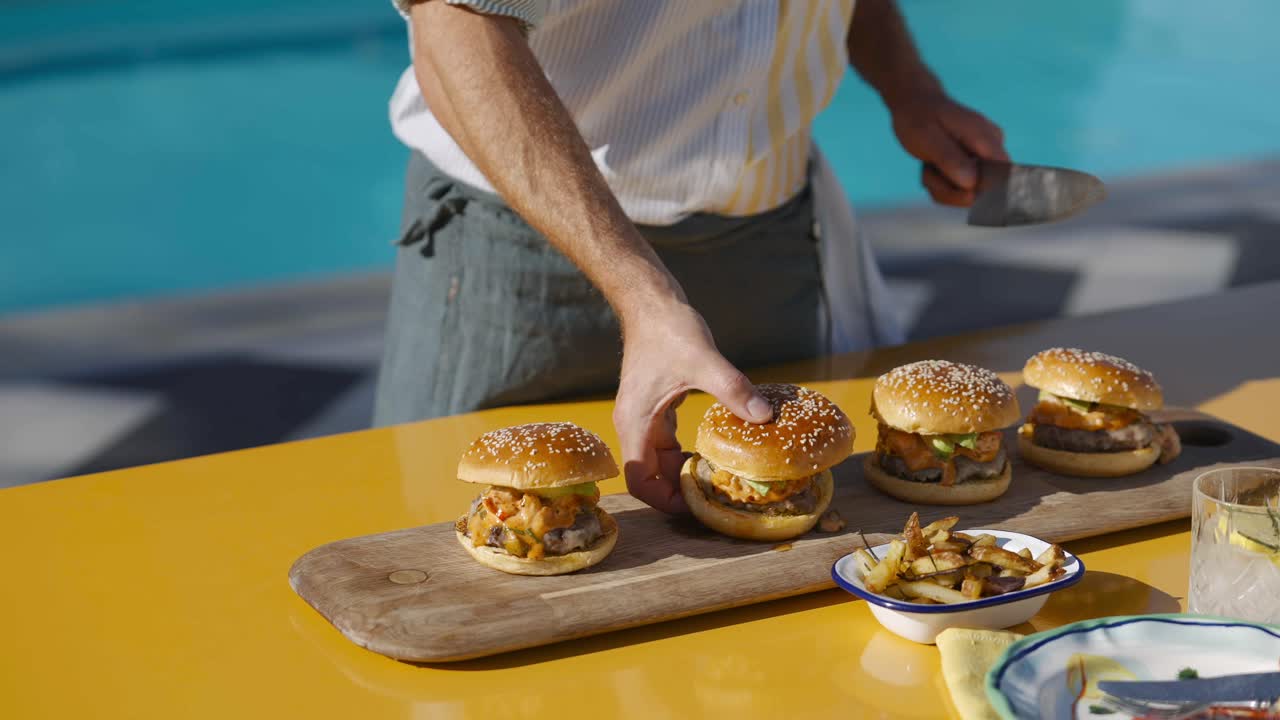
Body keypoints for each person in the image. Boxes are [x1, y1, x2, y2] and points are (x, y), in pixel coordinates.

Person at [375, 0, 1009, 513]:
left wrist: (911, 88)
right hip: (516, 253)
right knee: (462, 541)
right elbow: (457, 26)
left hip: (769, 246)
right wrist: (644, 297)